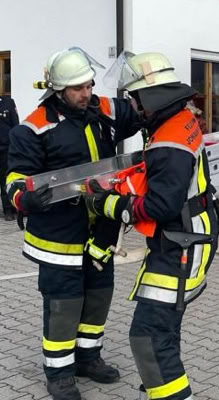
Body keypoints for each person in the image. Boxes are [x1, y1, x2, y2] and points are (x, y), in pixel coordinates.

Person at [5, 47, 142, 400]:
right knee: (63, 306)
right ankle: (59, 373)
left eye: (89, 85)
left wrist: (162, 101)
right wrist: (23, 199)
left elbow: (139, 112)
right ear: (58, 90)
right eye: (78, 88)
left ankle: (88, 358)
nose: (86, 93)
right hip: (58, 237)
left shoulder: (102, 109)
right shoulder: (33, 128)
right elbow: (15, 178)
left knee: (98, 297)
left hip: (101, 231)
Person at [85, 51, 219, 400]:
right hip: (185, 236)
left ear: (151, 95)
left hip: (181, 244)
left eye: (135, 98)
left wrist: (109, 204)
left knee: (148, 336)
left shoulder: (169, 142)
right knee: (164, 330)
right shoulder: (177, 120)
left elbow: (161, 205)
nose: (134, 107)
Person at [0, 94, 20, 221]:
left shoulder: (7, 102)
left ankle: (10, 208)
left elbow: (15, 125)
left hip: (6, 148)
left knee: (6, 178)